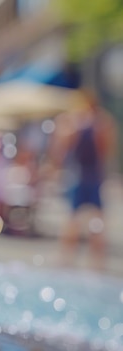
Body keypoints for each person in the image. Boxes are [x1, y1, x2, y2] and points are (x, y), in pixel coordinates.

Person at [47, 90, 118, 270]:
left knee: (73, 218)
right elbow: (107, 149)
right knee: (97, 219)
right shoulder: (103, 122)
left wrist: (56, 166)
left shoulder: (73, 121)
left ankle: (66, 259)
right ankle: (97, 262)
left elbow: (61, 146)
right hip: (94, 173)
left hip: (78, 172)